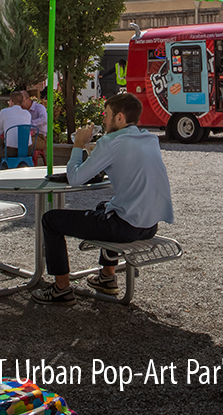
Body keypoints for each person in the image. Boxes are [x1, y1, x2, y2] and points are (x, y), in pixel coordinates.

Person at [32, 92, 174, 306]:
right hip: (149, 225)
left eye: (106, 115)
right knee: (105, 206)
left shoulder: (110, 141)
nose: (104, 120)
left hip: (126, 227)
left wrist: (78, 145)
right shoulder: (149, 139)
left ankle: (61, 288)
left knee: (51, 220)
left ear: (119, 118)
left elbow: (76, 178)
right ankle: (107, 277)